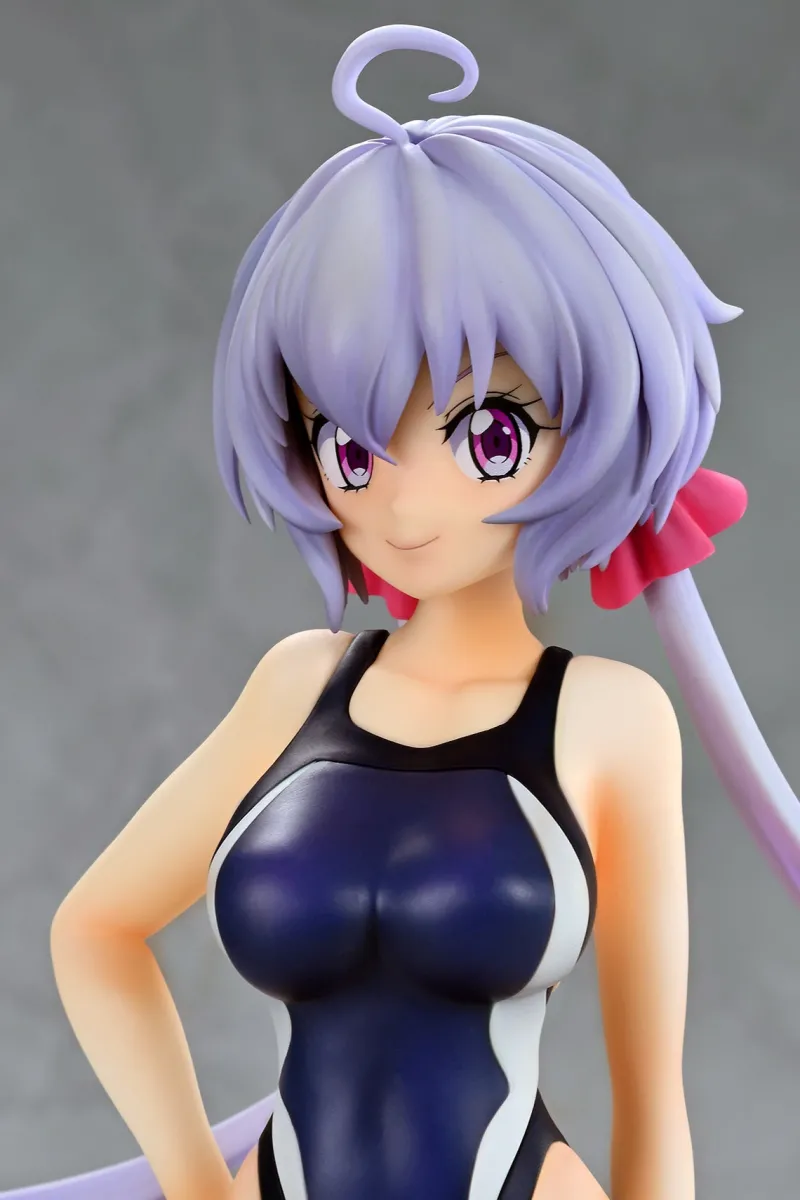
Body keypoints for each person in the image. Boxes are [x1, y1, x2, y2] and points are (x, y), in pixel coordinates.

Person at [40, 22, 799, 1200]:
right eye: (348, 444)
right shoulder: (299, 687)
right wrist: (195, 1183)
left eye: (483, 433)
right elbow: (94, 932)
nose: (401, 501)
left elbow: (653, 1106)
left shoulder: (608, 721)